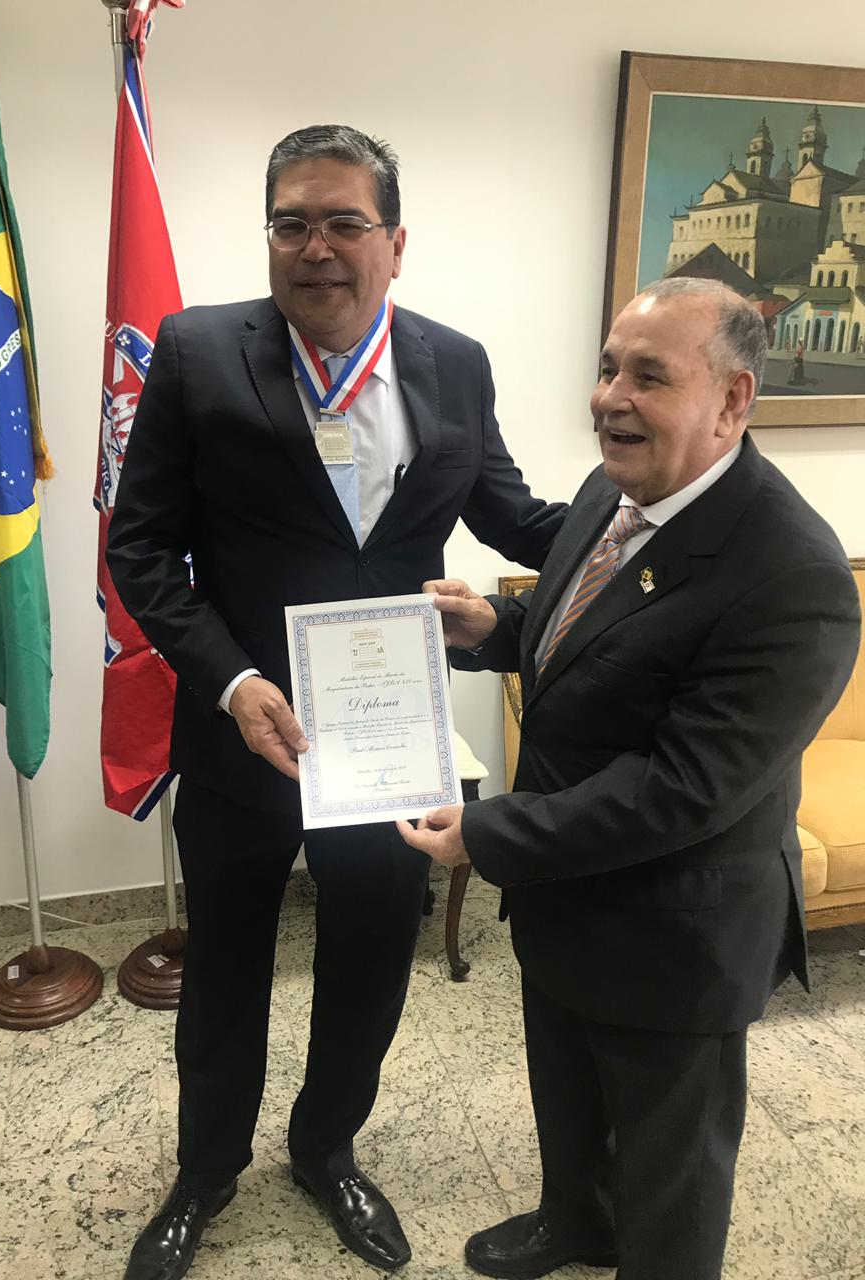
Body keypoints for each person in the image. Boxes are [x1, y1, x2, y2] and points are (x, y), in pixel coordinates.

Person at [107, 123, 567, 1280]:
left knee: (369, 958)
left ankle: (326, 1148)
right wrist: (234, 680)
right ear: (270, 237)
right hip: (243, 736)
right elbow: (142, 548)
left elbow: (514, 514)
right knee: (226, 968)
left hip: (388, 742)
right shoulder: (199, 352)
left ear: (395, 243)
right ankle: (205, 1168)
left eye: (344, 222)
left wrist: (646, 521)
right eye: (291, 223)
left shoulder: (454, 363)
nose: (315, 246)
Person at [399, 278, 861, 1280]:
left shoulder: (793, 575)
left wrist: (487, 833)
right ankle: (576, 1222)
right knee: (567, 1094)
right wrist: (493, 628)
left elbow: (682, 789)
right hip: (569, 892)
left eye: (649, 375)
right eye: (609, 367)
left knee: (669, 1172)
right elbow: (584, 635)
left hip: (674, 933)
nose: (611, 396)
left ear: (733, 400)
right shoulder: (619, 488)